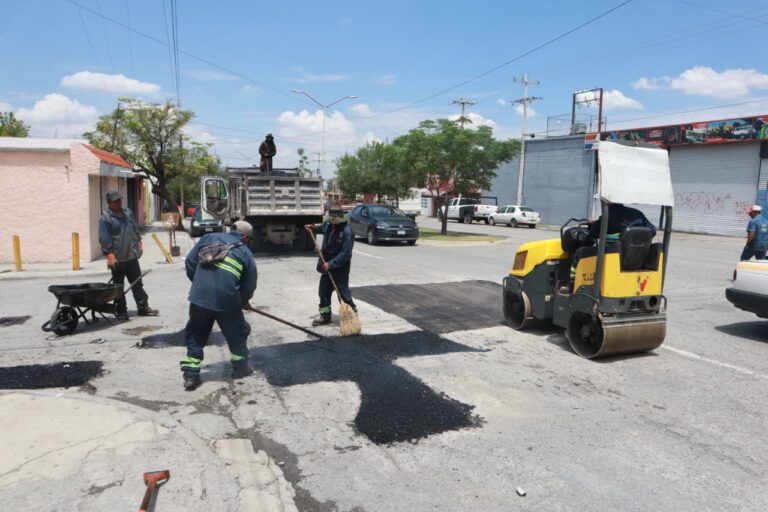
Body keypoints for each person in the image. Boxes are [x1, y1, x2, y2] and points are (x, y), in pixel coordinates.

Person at [180, 220, 258, 391]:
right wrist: (243, 300)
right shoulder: (245, 252)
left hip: (199, 298)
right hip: (227, 301)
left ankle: (191, 376)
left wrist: (200, 284)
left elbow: (190, 263)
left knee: (195, 335)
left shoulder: (208, 238)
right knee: (236, 333)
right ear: (245, 237)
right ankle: (240, 368)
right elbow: (250, 284)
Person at [98, 190, 158, 321]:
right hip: (117, 259)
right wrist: (110, 256)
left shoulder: (128, 213)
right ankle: (121, 312)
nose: (119, 202)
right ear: (109, 203)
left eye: (120, 200)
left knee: (137, 284)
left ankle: (143, 308)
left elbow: (134, 229)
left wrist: (139, 243)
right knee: (118, 287)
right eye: (115, 201)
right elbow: (105, 239)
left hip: (131, 256)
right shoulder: (105, 219)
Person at [304, 206, 357, 326]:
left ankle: (352, 316)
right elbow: (321, 228)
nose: (332, 223)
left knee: (342, 293)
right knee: (323, 291)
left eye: (334, 221)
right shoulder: (328, 225)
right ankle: (325, 316)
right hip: (326, 265)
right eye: (331, 220)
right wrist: (312, 228)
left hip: (340, 267)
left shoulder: (347, 232)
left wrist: (331, 264)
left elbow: (346, 254)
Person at [587, 202, 656, 241]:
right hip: (637, 256)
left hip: (614, 254)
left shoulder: (607, 217)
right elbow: (653, 230)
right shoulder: (637, 214)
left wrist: (591, 225)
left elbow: (594, 232)